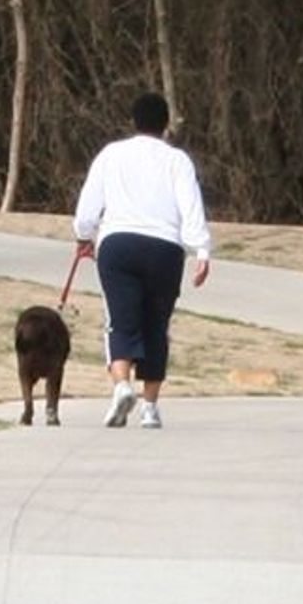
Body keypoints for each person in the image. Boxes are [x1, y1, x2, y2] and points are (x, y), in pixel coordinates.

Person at [73, 91, 211, 429]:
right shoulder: (177, 160)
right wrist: (202, 250)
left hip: (118, 244)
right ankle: (149, 407)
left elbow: (89, 204)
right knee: (156, 325)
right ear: (166, 126)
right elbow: (190, 206)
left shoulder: (112, 154)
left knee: (119, 320)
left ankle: (122, 385)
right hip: (165, 249)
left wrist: (84, 235)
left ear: (133, 123)